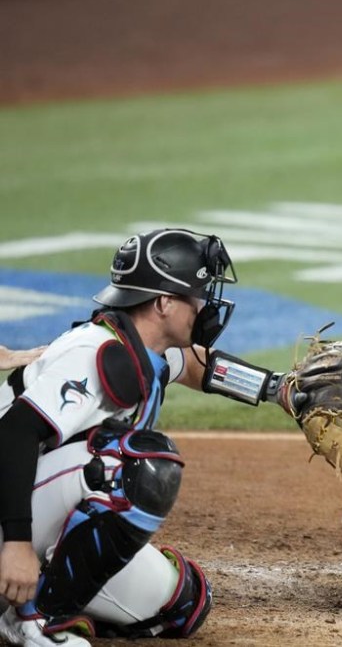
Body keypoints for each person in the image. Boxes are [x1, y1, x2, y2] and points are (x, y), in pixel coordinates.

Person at [0, 229, 308, 646]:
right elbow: (15, 431)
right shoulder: (95, 351)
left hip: (37, 501)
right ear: (164, 303)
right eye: (197, 295)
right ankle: (37, 620)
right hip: (10, 514)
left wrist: (281, 390)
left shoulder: (145, 349)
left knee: (183, 604)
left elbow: (200, 367)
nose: (205, 306)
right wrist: (16, 545)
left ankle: (43, 591)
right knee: (135, 466)